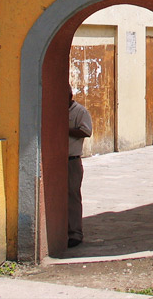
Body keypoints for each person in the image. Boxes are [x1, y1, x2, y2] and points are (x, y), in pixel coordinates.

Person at [68, 86, 92, 248]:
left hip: (72, 160)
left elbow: (86, 131)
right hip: (59, 160)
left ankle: (75, 232)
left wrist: (66, 130)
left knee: (73, 196)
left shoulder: (79, 112)